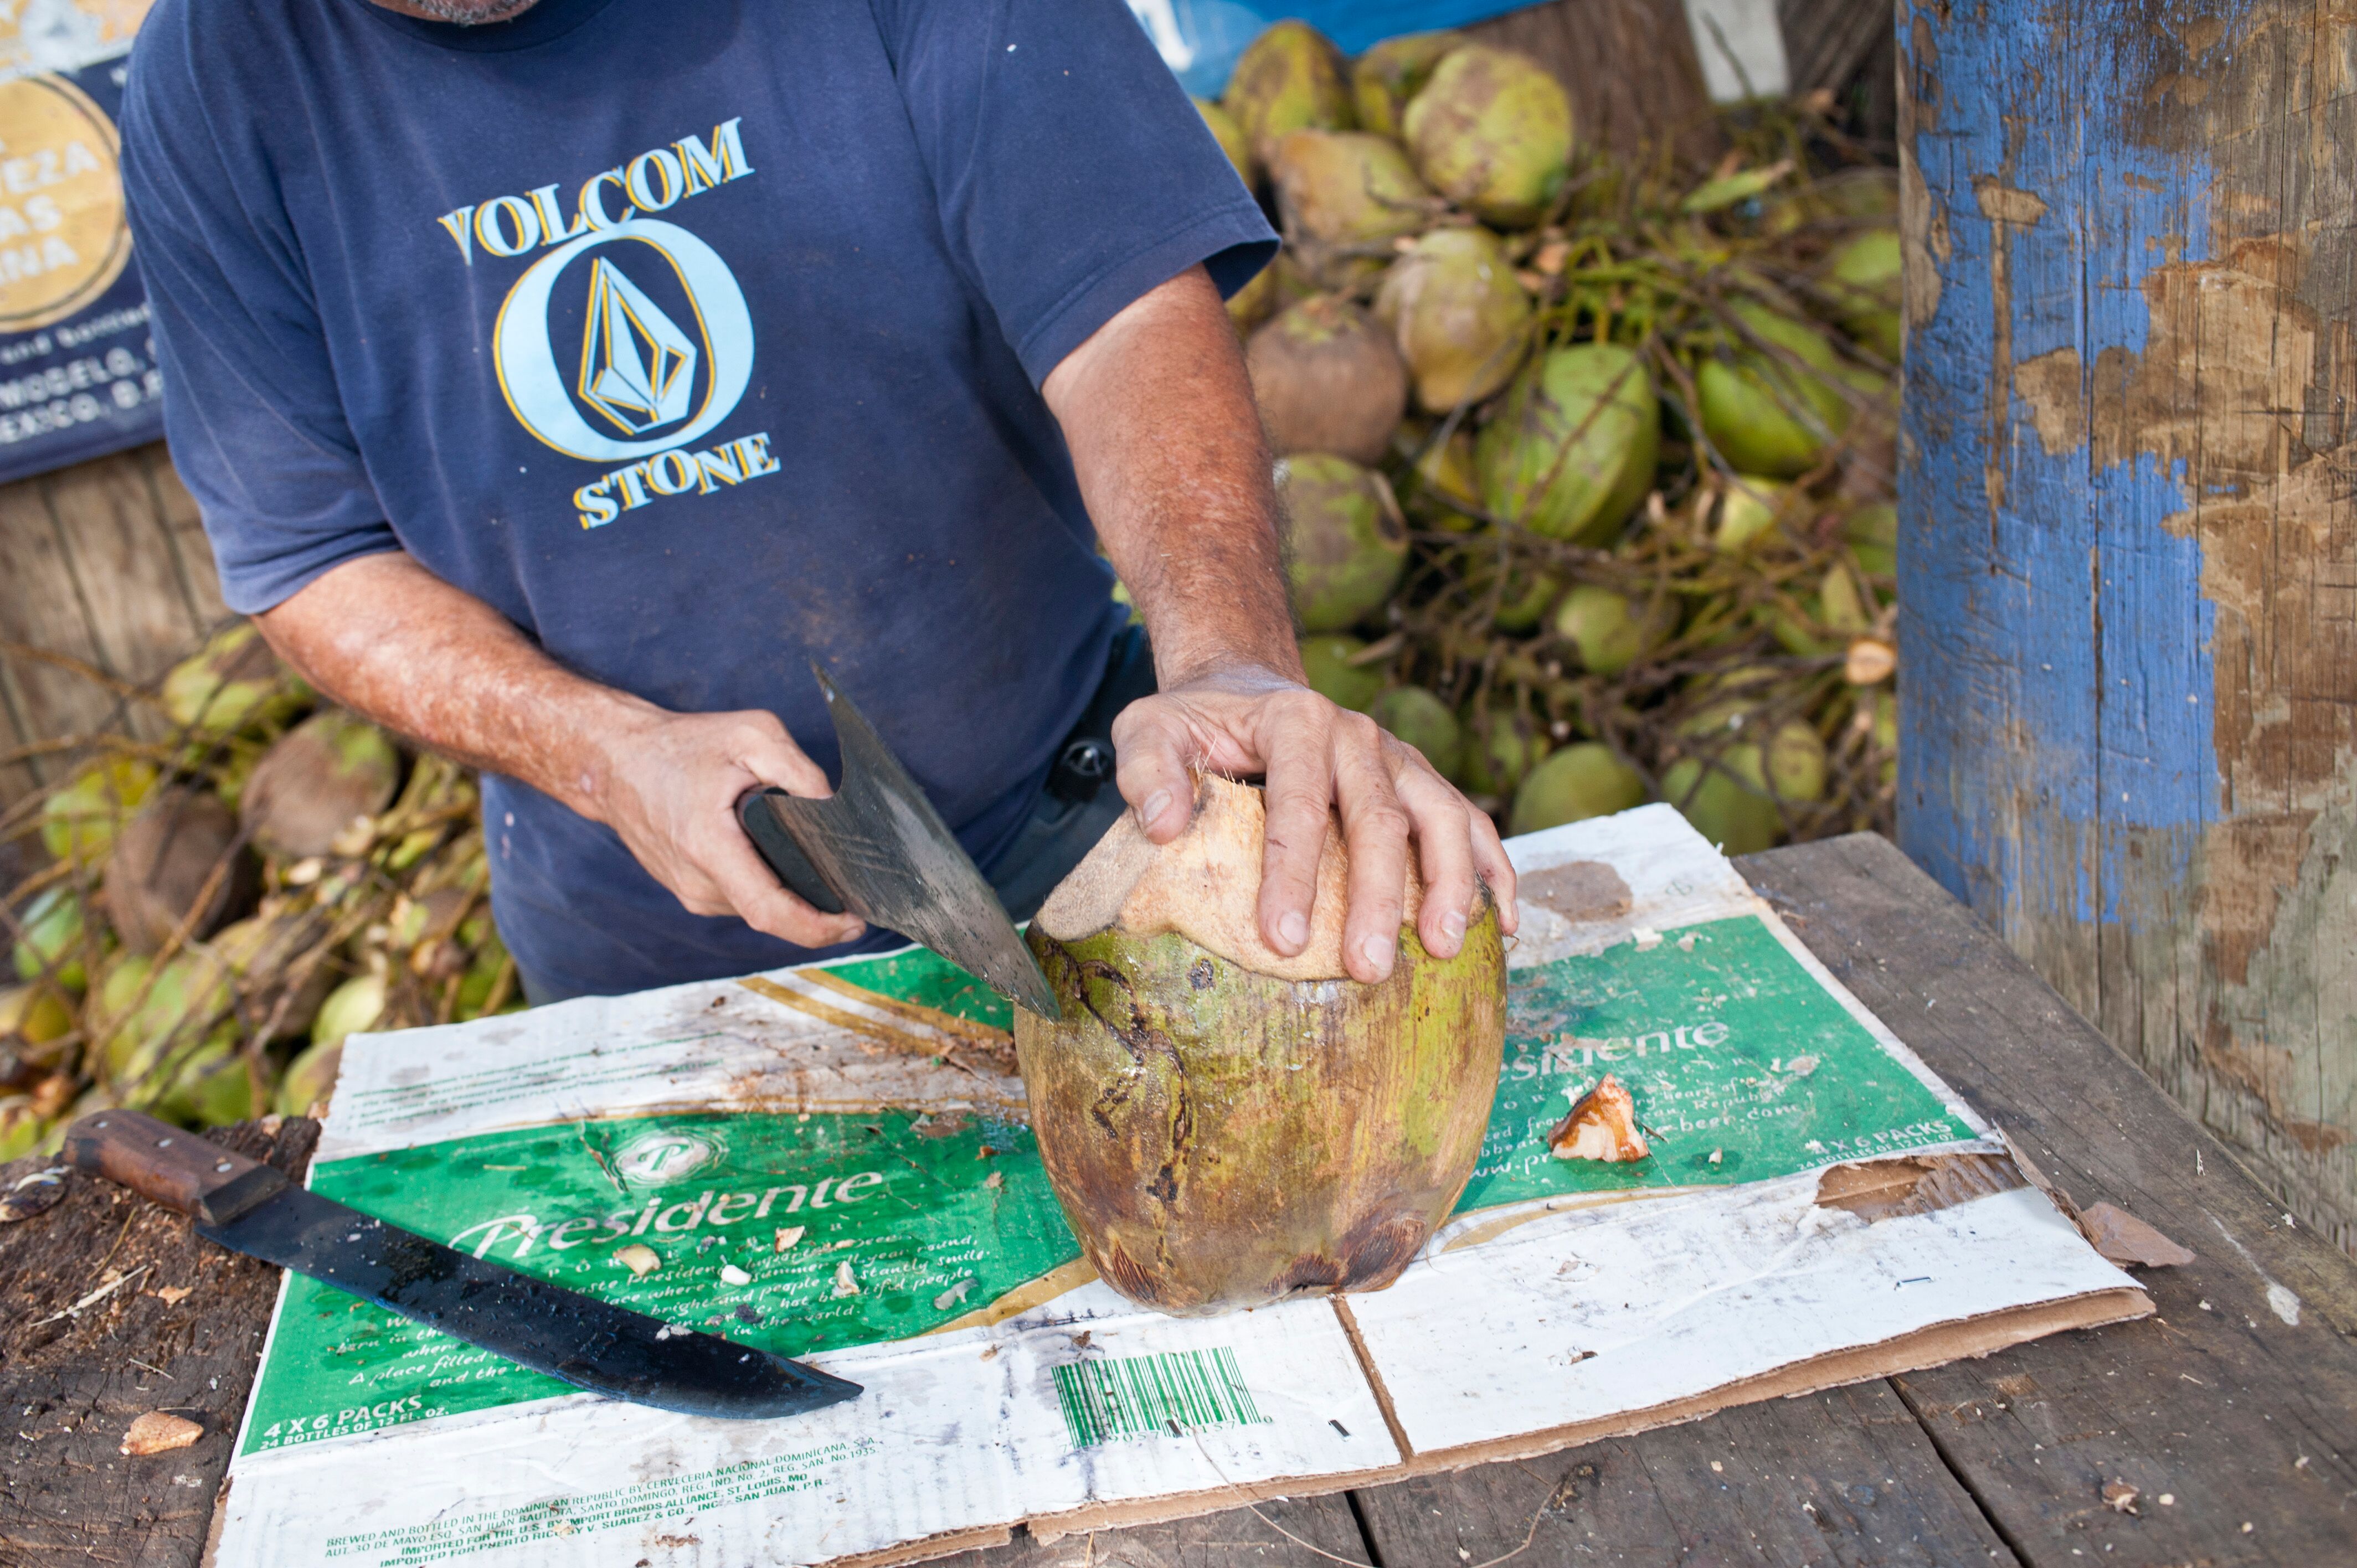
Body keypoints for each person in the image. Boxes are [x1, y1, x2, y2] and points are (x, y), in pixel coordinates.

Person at [120, 0, 1517, 1005]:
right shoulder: (214, 73)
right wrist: (600, 752)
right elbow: (309, 556)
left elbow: (1122, 307)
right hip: (646, 962)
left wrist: (1225, 657)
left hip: (1083, 841)